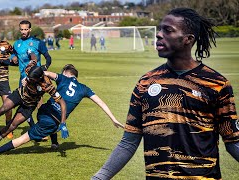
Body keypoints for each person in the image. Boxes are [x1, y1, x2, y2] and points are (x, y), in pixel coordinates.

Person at [92, 8, 239, 179]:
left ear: (188, 39)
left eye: (168, 30)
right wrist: (99, 177)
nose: (159, 34)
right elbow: (128, 143)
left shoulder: (216, 84)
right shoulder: (145, 83)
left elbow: (233, 141)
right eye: (160, 29)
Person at [0, 64, 124, 155]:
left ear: (67, 73)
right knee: (32, 134)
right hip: (53, 119)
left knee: (28, 132)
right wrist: (113, 119)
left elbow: (43, 72)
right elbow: (101, 103)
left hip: (44, 111)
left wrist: (27, 79)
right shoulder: (85, 89)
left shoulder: (63, 78)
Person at [0, 57, 67, 151]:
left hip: (30, 105)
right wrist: (32, 55)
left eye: (31, 79)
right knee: (3, 109)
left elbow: (62, 102)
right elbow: (33, 58)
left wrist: (63, 123)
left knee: (12, 125)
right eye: (28, 77)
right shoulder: (29, 68)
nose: (28, 79)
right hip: (19, 94)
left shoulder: (47, 85)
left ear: (39, 78)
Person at [11, 20, 52, 87]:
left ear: (30, 29)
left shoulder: (38, 42)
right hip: (23, 78)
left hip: (36, 78)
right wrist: (13, 57)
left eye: (26, 29)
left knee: (36, 97)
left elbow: (48, 57)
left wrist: (45, 67)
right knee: (21, 97)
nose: (23, 32)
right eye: (21, 29)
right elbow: (14, 54)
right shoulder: (16, 43)